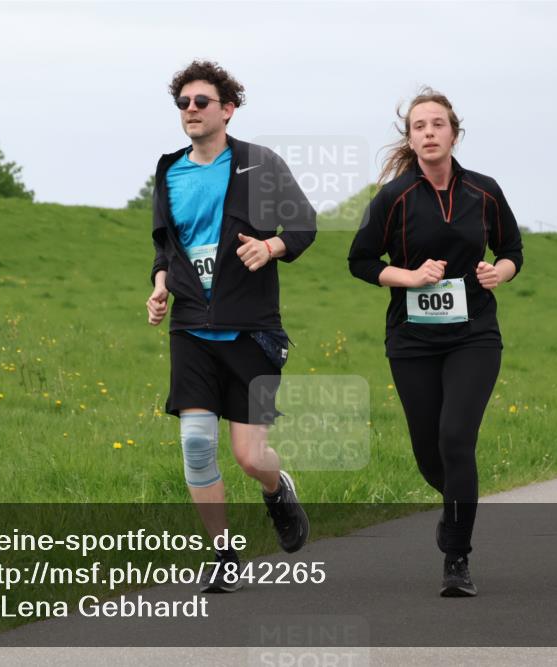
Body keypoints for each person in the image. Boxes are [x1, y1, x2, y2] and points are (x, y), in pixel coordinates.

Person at [147, 60, 316, 593]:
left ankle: (276, 488)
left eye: (201, 102)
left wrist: (272, 245)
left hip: (252, 330)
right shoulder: (169, 171)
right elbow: (164, 246)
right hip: (191, 327)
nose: (191, 110)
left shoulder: (259, 165)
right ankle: (224, 554)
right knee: (197, 446)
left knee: (248, 456)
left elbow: (305, 224)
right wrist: (158, 285)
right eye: (183, 103)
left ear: (228, 109)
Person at [348, 87, 524, 597]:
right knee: (429, 454)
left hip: (474, 336)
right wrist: (409, 277)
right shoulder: (393, 198)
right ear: (410, 136)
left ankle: (457, 556)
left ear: (454, 133)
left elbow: (512, 249)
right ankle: (458, 505)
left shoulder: (484, 192)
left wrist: (501, 273)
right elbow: (360, 262)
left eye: (437, 124)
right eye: (419, 126)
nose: (428, 132)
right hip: (412, 340)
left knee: (455, 439)